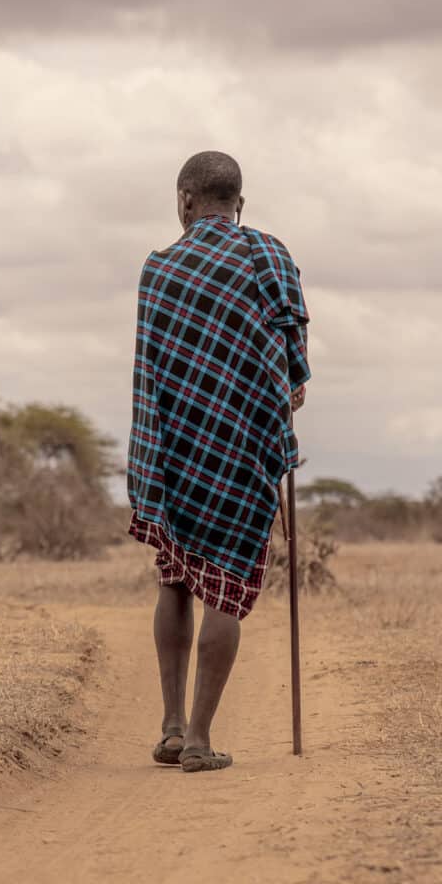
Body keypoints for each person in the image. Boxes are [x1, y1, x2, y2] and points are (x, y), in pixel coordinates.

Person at [126, 150, 309, 775]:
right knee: (225, 590)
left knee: (175, 579)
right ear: (239, 204)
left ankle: (172, 726)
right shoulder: (270, 257)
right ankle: (200, 741)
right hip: (243, 456)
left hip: (176, 457)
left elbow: (152, 374)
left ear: (184, 201)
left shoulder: (160, 270)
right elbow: (294, 369)